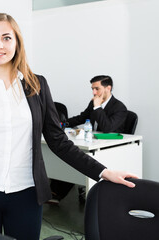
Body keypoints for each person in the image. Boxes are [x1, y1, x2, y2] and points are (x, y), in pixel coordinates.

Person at [0, 13, 137, 240]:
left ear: (17, 43)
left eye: (6, 38)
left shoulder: (37, 84)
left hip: (27, 195)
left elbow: (58, 141)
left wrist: (103, 172)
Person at [50, 75, 128, 203]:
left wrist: (97, 108)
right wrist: (61, 124)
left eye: (97, 89)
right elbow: (81, 118)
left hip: (108, 150)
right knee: (70, 155)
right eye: (92, 89)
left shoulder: (119, 107)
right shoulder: (93, 102)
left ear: (108, 88)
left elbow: (107, 128)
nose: (94, 92)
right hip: (92, 144)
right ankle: (56, 192)